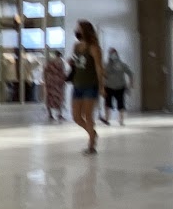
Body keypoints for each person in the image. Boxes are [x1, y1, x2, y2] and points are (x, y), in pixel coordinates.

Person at [68, 20, 103, 154]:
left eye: (79, 28)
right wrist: (71, 63)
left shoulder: (94, 48)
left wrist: (101, 86)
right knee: (76, 117)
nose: (76, 31)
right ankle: (92, 133)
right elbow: (77, 63)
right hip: (77, 84)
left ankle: (91, 144)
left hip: (90, 85)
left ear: (85, 31)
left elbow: (99, 67)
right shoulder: (76, 46)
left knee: (88, 115)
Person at [101, 47, 132, 125]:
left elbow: (130, 73)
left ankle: (121, 120)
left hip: (120, 87)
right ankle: (106, 118)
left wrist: (130, 84)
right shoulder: (106, 65)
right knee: (107, 103)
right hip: (108, 87)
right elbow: (102, 75)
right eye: (111, 53)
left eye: (113, 53)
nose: (112, 55)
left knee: (121, 104)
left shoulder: (122, 64)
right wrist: (102, 87)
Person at [42, 49, 67, 121]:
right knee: (59, 98)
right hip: (58, 83)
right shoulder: (60, 62)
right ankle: (59, 114)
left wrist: (46, 80)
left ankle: (50, 114)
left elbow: (45, 72)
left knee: (49, 97)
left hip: (50, 82)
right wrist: (64, 80)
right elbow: (62, 72)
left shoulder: (49, 62)